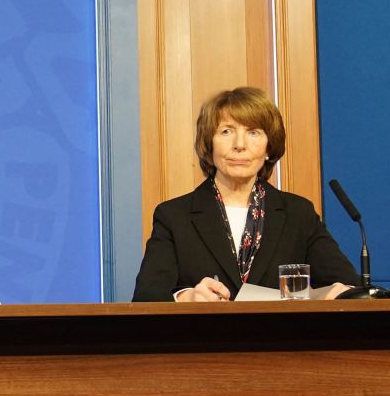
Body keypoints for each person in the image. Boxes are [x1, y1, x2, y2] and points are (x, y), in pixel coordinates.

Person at [133, 87, 357, 302]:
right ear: (209, 144)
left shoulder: (298, 214)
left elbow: (348, 286)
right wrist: (186, 297)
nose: (239, 145)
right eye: (226, 131)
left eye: (253, 132)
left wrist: (338, 292)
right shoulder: (174, 216)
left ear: (269, 148)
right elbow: (146, 297)